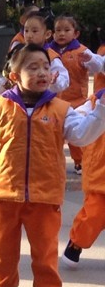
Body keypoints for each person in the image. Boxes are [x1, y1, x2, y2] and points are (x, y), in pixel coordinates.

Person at [0, 44, 105, 287]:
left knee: (44, 251)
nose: (42, 72)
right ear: (14, 76)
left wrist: (101, 110)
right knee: (2, 250)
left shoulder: (61, 109)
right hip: (3, 192)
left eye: (45, 67)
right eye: (33, 67)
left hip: (44, 195)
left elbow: (83, 135)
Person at [49, 14, 104, 174]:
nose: (61, 33)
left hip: (77, 99)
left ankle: (80, 161)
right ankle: (52, 162)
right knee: (53, 133)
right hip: (54, 101)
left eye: (66, 30)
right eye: (58, 30)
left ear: (76, 33)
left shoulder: (81, 51)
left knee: (76, 133)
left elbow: (98, 67)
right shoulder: (48, 52)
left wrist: (90, 60)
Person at [61, 87, 105, 269]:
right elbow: (78, 121)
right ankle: (76, 242)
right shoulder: (97, 100)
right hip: (100, 173)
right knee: (94, 214)